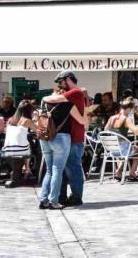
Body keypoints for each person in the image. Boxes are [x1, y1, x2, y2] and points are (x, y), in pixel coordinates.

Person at [42, 71, 88, 207]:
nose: (60, 85)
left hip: (74, 138)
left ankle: (75, 197)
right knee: (61, 169)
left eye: (61, 82)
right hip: (67, 137)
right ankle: (59, 197)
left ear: (68, 79)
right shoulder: (72, 95)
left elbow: (53, 99)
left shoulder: (76, 92)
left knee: (73, 169)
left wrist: (45, 97)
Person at [106, 99, 138, 181]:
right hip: (122, 149)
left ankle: (118, 171)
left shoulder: (111, 118)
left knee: (129, 148)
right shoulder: (126, 119)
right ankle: (132, 172)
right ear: (129, 109)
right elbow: (137, 132)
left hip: (112, 150)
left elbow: (106, 130)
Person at [2, 99, 36, 180]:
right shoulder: (26, 120)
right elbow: (38, 130)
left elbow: (5, 131)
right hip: (20, 150)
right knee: (30, 147)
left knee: (24, 144)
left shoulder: (10, 120)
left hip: (7, 150)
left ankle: (25, 169)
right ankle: (27, 169)